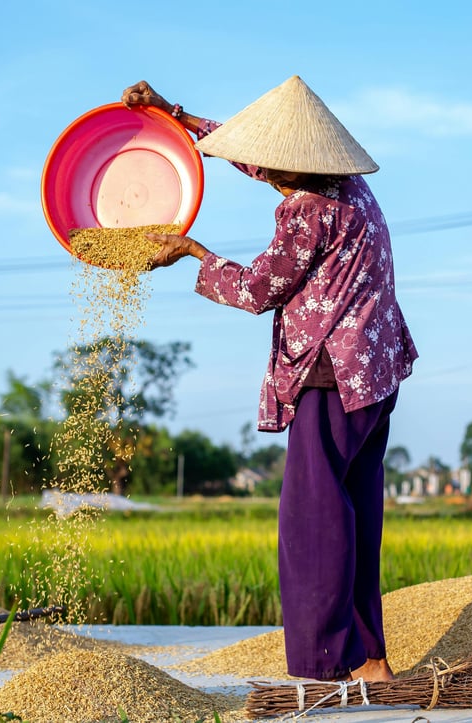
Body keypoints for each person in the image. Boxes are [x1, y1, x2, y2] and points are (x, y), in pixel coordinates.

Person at [121, 75, 419, 682]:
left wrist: (193, 254)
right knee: (356, 510)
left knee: (312, 520)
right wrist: (174, 114)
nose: (264, 173)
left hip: (330, 375)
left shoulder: (306, 213)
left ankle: (323, 665)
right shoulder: (350, 189)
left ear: (291, 167)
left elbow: (257, 290)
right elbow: (254, 160)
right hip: (375, 373)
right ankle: (371, 659)